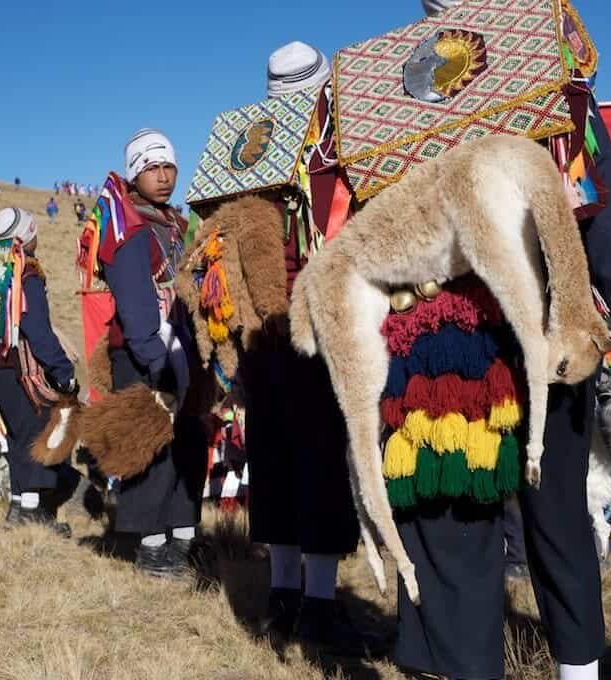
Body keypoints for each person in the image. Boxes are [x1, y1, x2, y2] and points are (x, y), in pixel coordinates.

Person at [380, 5, 611, 679]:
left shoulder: (387, 98)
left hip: (436, 346)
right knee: (557, 523)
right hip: (536, 342)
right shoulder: (543, 71)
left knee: (453, 522)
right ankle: (579, 671)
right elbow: (603, 227)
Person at [237, 40, 374, 657]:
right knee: (316, 463)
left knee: (275, 463)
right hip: (312, 328)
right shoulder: (338, 148)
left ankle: (281, 598)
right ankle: (316, 605)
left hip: (260, 334)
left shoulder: (244, 156)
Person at [99, 129, 203, 577]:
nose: (162, 177)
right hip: (145, 354)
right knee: (150, 450)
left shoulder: (174, 225)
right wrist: (156, 358)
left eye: (168, 168)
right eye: (151, 168)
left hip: (180, 349)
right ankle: (151, 548)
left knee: (187, 449)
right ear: (133, 174)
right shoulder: (128, 229)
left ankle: (181, 541)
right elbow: (135, 298)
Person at [0, 207, 78, 532]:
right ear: (26, 235)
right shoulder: (27, 274)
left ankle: (18, 508)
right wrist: (62, 369)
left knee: (17, 435)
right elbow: (36, 328)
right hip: (22, 367)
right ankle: (36, 516)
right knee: (37, 434)